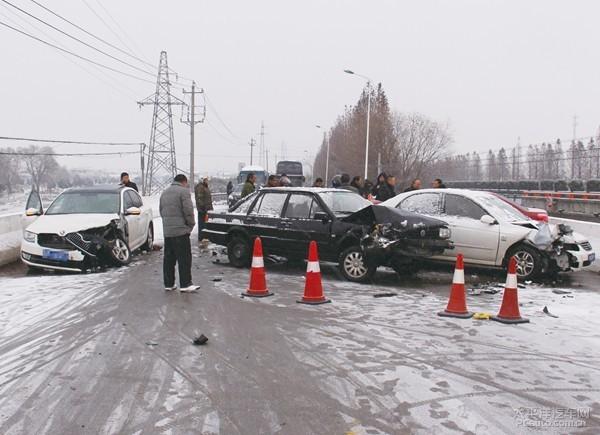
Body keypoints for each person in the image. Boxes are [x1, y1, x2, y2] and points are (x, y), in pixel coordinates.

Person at [159, 174, 199, 292]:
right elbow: (188, 211)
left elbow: (161, 211)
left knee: (169, 259)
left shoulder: (164, 193)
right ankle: (185, 284)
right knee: (184, 258)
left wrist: (168, 225)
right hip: (181, 231)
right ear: (184, 182)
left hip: (168, 231)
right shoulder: (184, 192)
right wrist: (191, 225)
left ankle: (169, 284)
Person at [194, 177, 213, 241]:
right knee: (202, 223)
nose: (207, 181)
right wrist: (203, 207)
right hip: (203, 209)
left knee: (206, 223)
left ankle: (205, 236)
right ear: (202, 180)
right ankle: (202, 237)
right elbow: (200, 198)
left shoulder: (205, 187)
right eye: (206, 180)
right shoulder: (200, 187)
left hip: (207, 208)